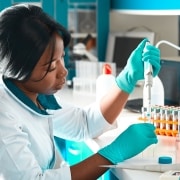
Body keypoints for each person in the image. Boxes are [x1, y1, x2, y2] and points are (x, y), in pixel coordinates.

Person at [0, 4, 161, 180]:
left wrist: (127, 79)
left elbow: (84, 124)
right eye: (52, 66)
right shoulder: (4, 116)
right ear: (18, 69)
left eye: (62, 57)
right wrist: (113, 153)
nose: (63, 72)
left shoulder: (35, 95)